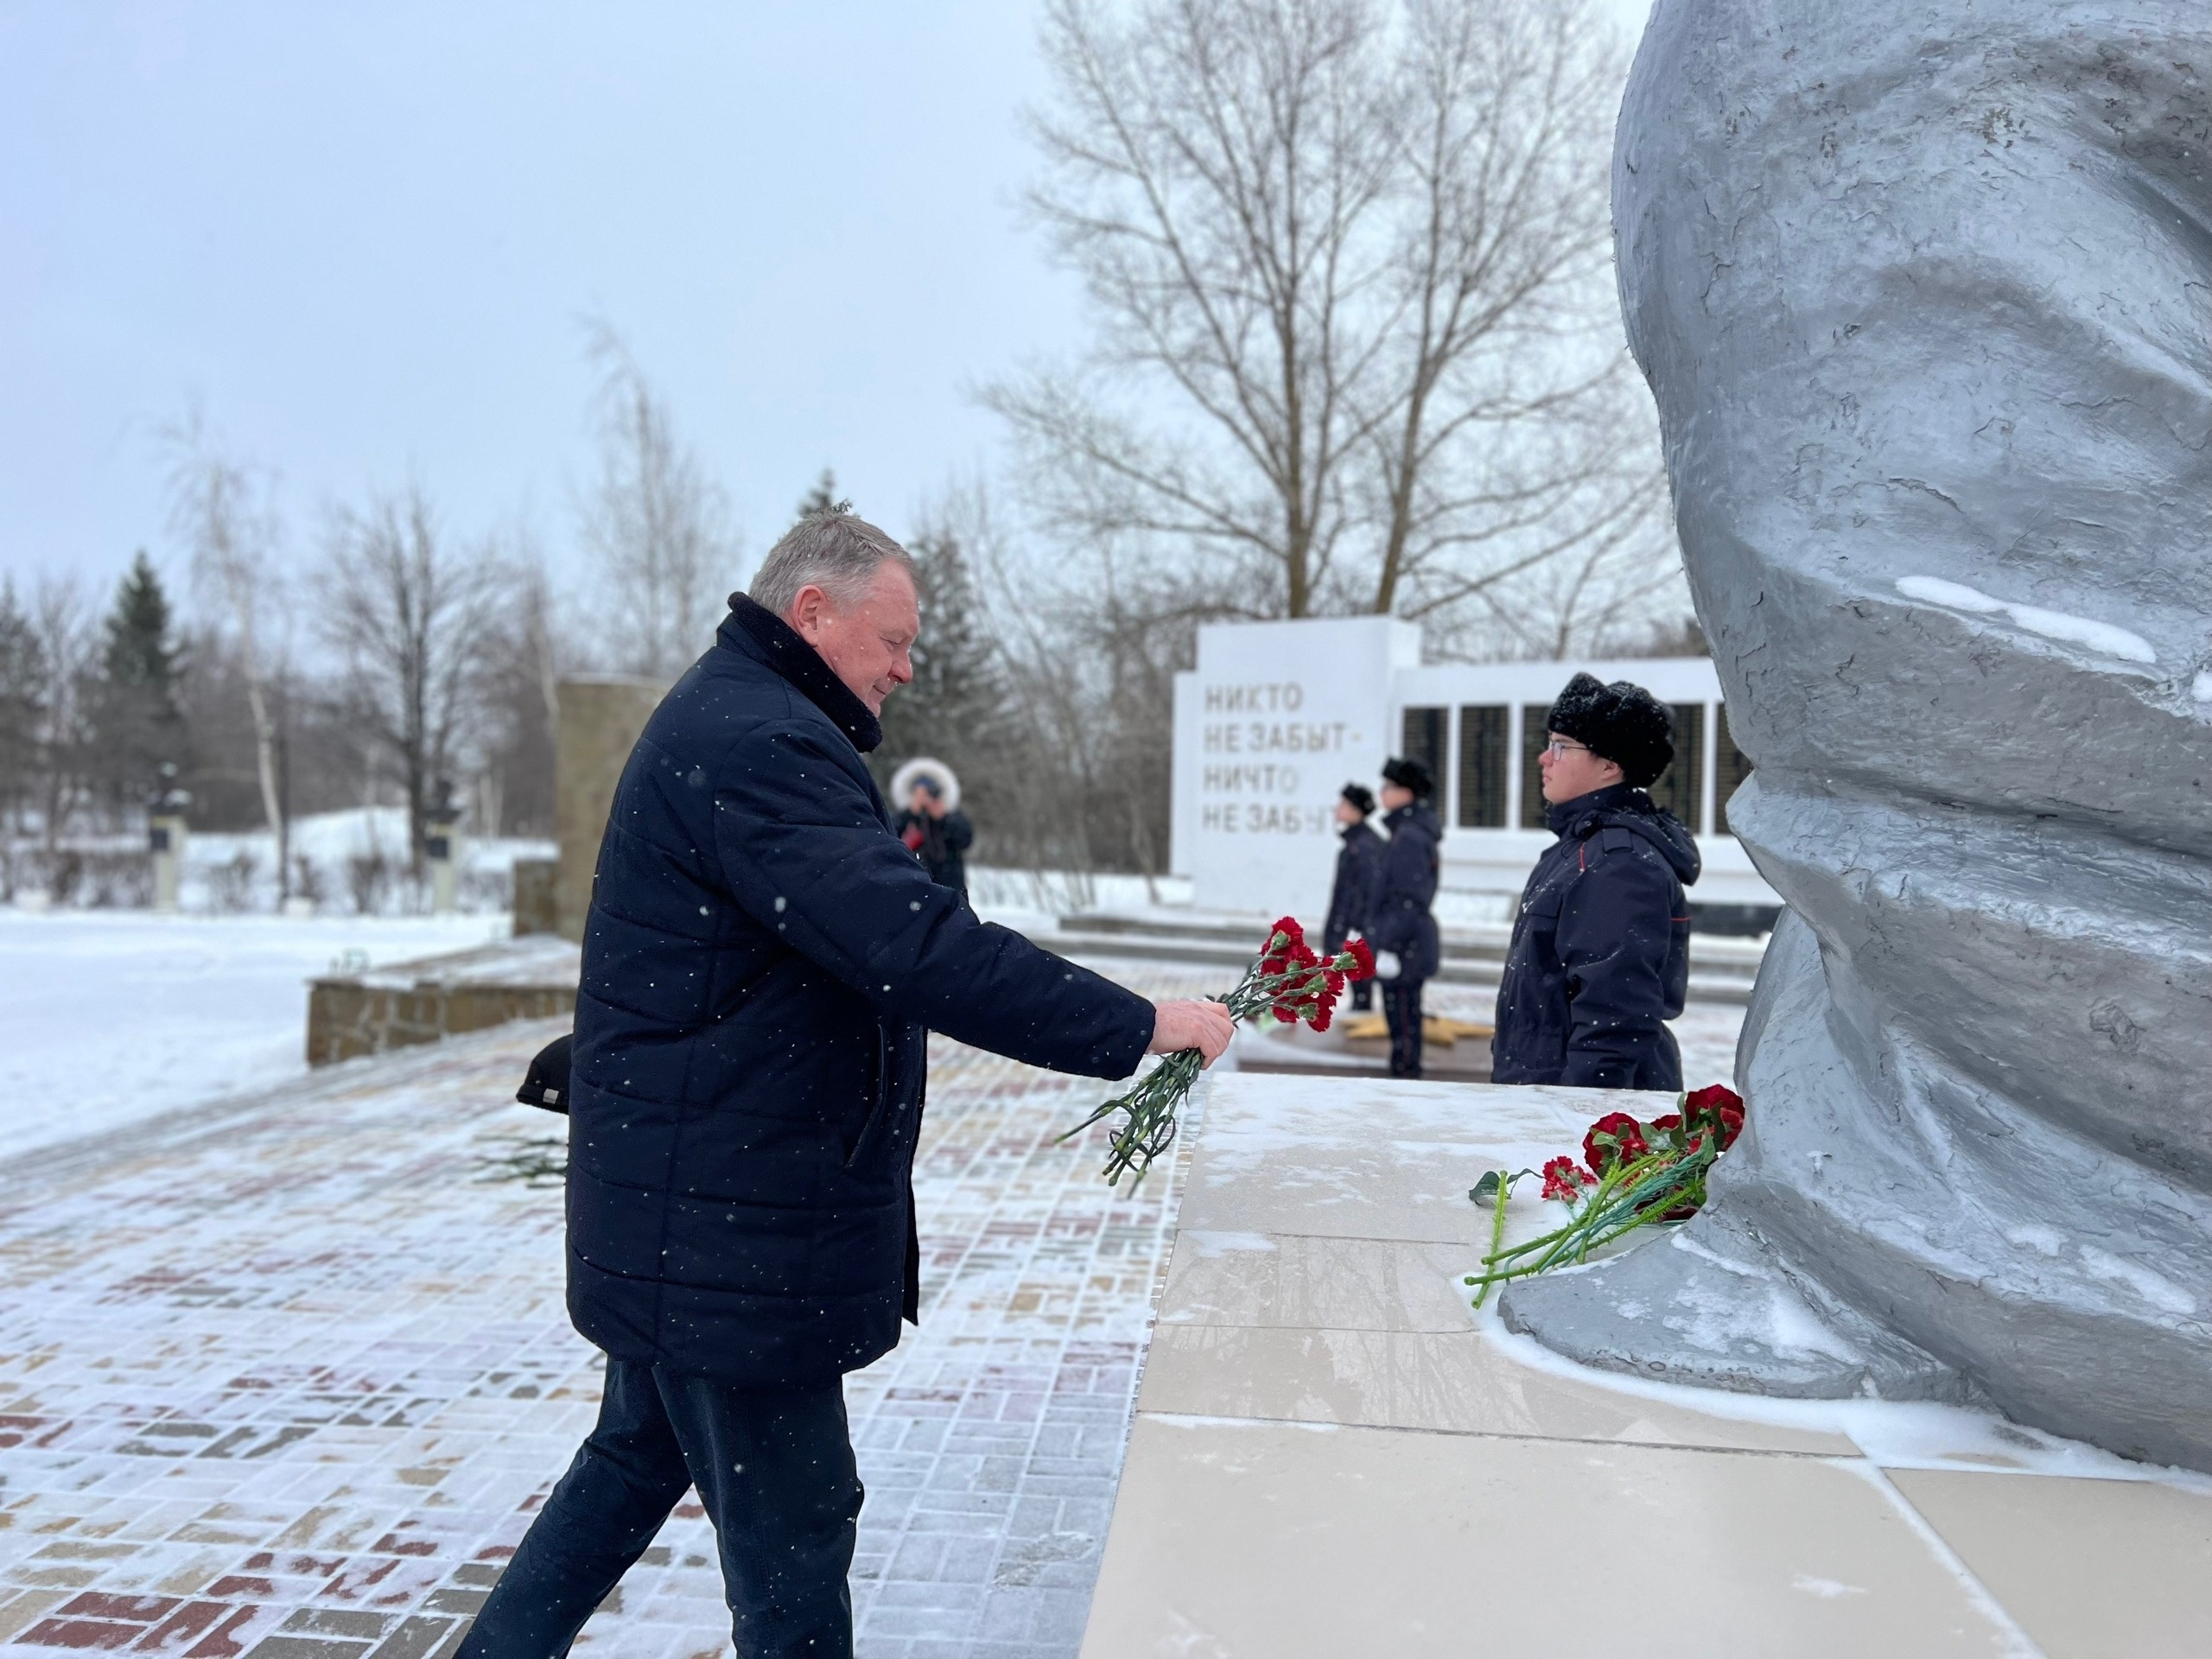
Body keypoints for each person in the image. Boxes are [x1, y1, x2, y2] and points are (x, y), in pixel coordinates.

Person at [460, 511, 1233, 1659]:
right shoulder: (762, 744)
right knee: (796, 1537)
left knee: (633, 1461)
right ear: (812, 611)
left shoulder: (742, 716)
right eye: (895, 638)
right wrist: (1139, 1023)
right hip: (733, 1230)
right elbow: (915, 944)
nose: (908, 667)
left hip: (693, 1207)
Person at [1491, 672, 1699, 1091]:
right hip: (1542, 1093)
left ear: (1609, 765)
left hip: (1576, 1113)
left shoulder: (1618, 864)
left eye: (1561, 747)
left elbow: (1616, 1015)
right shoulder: (1578, 850)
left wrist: (1581, 1117)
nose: (1544, 758)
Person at [1364, 757, 1441, 1078]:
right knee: (1402, 1019)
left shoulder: (1408, 835)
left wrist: (1391, 946)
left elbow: (1408, 898)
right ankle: (1404, 1076)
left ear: (1406, 792)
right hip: (1405, 941)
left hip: (1406, 944)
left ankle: (1407, 1082)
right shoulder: (1406, 831)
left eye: (1389, 787)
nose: (1382, 793)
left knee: (1405, 1022)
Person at [1322, 783, 1384, 1013]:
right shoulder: (1355, 844)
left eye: (1344, 805)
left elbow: (1362, 893)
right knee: (1358, 983)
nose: (1338, 809)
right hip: (1352, 926)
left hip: (1357, 928)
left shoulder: (1364, 847)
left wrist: (1349, 928)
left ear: (1356, 810)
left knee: (1361, 986)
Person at [891, 776, 973, 893]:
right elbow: (889, 838)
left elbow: (965, 840)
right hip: (915, 882)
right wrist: (910, 813)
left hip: (950, 883)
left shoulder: (951, 814)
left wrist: (942, 818)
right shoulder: (905, 817)